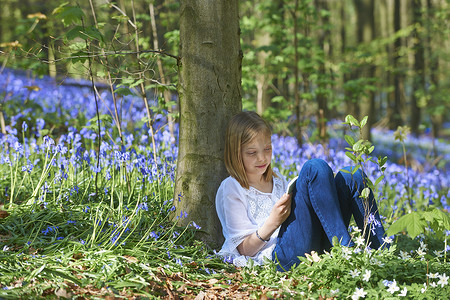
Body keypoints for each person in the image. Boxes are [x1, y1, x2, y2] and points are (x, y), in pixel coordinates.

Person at [215, 111, 387, 271]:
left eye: (267, 149)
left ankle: (383, 252)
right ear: (236, 153)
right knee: (314, 167)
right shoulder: (232, 188)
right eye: (252, 153)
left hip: (311, 248)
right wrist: (273, 222)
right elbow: (244, 249)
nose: (262, 158)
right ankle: (346, 251)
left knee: (353, 176)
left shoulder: (279, 181)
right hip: (279, 258)